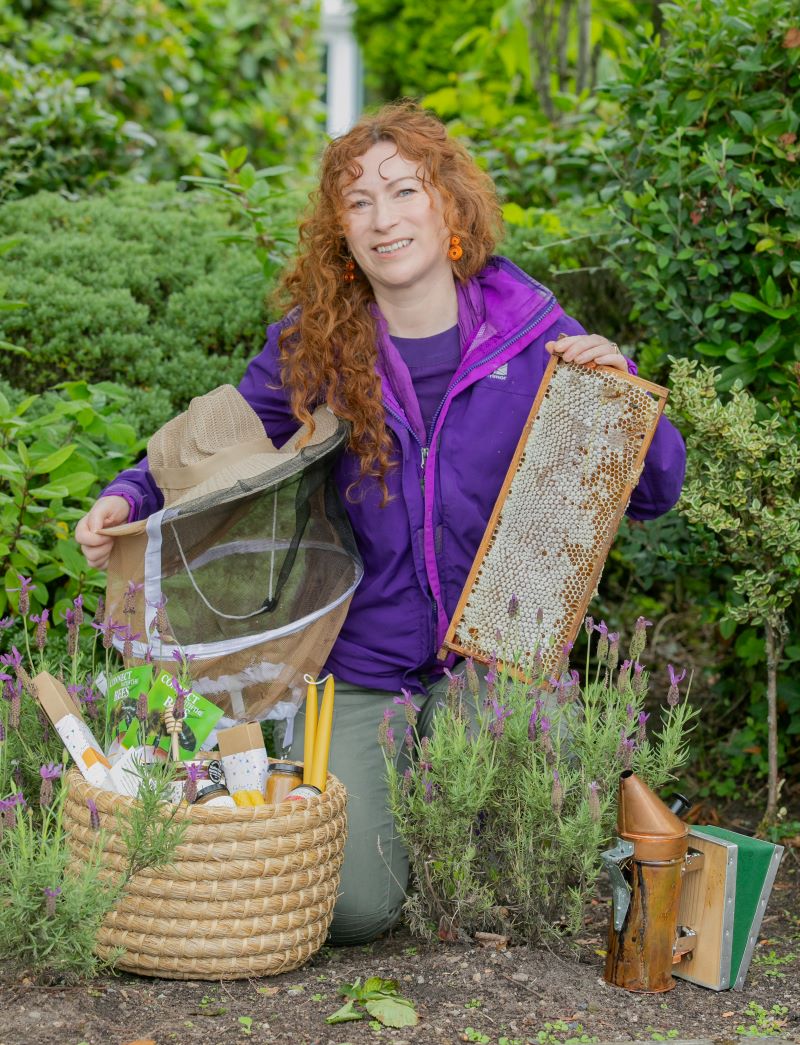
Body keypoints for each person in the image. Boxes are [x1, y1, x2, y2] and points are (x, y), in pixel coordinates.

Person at [76, 102, 686, 945]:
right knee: (360, 909)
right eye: (358, 202)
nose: (383, 217)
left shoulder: (533, 330)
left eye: (403, 190)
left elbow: (653, 492)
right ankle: (398, 801)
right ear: (341, 229)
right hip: (361, 663)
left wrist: (618, 388)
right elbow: (216, 442)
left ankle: (451, 796)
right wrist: (128, 498)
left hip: (494, 655)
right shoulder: (319, 342)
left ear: (449, 206)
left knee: (512, 868)